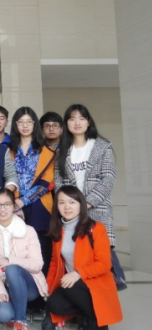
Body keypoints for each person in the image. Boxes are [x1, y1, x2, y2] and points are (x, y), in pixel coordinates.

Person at [43, 185, 123, 330]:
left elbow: (104, 263)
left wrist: (78, 273)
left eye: (72, 202)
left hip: (95, 281)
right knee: (54, 303)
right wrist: (48, 288)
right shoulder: (59, 230)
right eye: (61, 202)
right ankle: (85, 315)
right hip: (74, 283)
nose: (67, 207)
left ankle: (99, 324)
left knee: (70, 286)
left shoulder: (96, 228)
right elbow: (55, 263)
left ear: (81, 204)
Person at [0, 188, 48, 330]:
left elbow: (38, 264)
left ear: (14, 206)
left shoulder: (28, 231)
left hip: (28, 285)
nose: (2, 209)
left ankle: (20, 321)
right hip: (3, 284)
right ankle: (14, 309)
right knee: (3, 315)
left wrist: (11, 260)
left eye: (7, 204)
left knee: (12, 269)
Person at [55, 104, 117, 247]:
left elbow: (108, 178)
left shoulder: (102, 147)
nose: (77, 123)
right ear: (66, 124)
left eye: (81, 118)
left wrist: (87, 203)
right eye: (72, 119)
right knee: (76, 253)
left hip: (98, 208)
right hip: (71, 212)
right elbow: (59, 182)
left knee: (102, 253)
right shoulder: (61, 151)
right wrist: (70, 205)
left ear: (88, 122)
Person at [8, 106, 56, 271]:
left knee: (42, 252)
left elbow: (47, 182)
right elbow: (6, 178)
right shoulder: (9, 151)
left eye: (29, 122)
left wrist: (23, 201)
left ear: (35, 125)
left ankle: (43, 286)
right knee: (18, 250)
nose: (25, 126)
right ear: (15, 125)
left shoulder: (47, 151)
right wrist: (15, 201)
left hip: (39, 206)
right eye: (21, 122)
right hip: (14, 206)